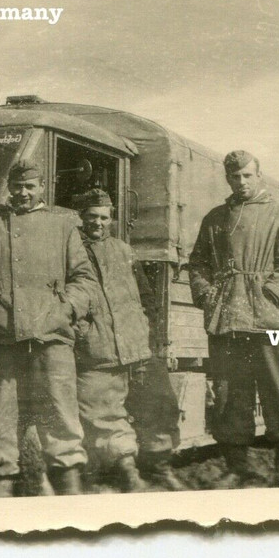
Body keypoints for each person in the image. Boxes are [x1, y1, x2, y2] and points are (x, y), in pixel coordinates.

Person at [0, 160, 96, 497]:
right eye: (17, 186)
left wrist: (66, 308)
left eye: (30, 187)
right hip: (2, 336)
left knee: (60, 412)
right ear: (9, 188)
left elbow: (84, 278)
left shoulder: (64, 226)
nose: (23, 193)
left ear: (42, 188)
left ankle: (70, 487)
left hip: (53, 335)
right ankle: (0, 488)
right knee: (0, 417)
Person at [188, 150, 279, 488]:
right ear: (227, 178)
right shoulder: (214, 218)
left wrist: (270, 295)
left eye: (247, 176)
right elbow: (197, 263)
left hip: (269, 319)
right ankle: (238, 466)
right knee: (229, 394)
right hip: (227, 317)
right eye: (235, 177)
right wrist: (206, 293)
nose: (241, 182)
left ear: (259, 176)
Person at [73, 188, 184, 492]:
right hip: (99, 348)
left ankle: (161, 469)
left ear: (111, 219)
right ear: (81, 217)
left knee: (158, 406)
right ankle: (127, 473)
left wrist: (146, 329)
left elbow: (146, 296)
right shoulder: (70, 251)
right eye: (92, 217)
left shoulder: (124, 250)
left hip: (136, 345)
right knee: (103, 413)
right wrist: (83, 332)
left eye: (104, 218)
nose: (98, 223)